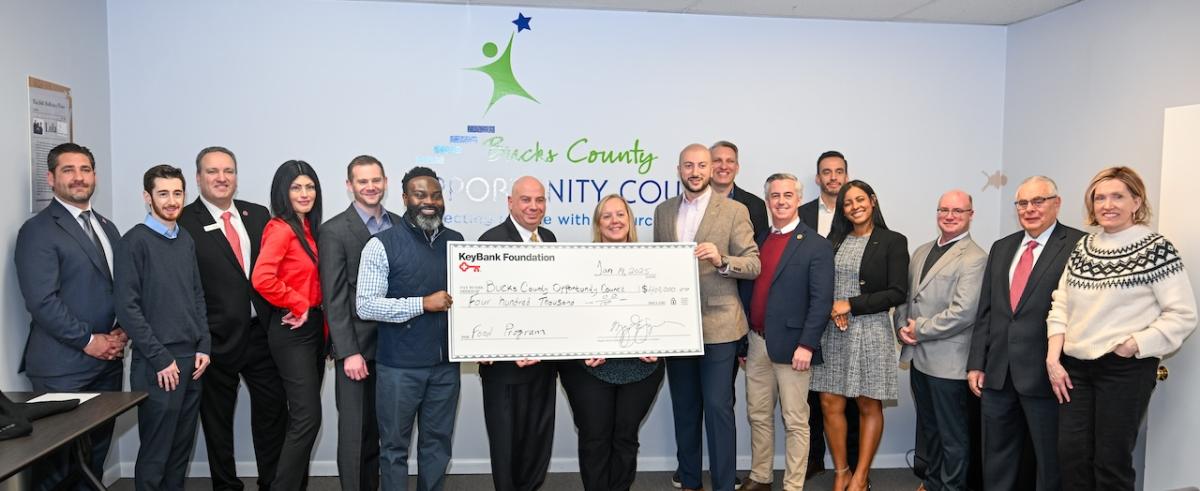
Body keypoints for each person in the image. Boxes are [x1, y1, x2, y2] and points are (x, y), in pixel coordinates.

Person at [1045, 166, 1197, 490]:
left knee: (1110, 462)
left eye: (1117, 196)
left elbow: (1183, 314)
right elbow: (1060, 305)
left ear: (1136, 201)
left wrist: (1134, 344)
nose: (1107, 205)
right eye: (1099, 198)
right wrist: (1053, 359)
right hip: (1075, 368)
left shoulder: (1156, 248)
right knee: (1071, 456)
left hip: (1124, 368)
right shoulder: (1083, 248)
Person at [15, 142, 127, 490]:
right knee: (55, 468)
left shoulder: (107, 227)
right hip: (62, 368)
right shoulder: (38, 231)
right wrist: (89, 341)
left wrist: (122, 331)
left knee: (92, 460)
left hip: (108, 364)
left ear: (94, 176)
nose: (78, 178)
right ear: (51, 178)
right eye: (68, 170)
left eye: (85, 170)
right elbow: (42, 302)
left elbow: (122, 287)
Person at [178, 146, 286, 491]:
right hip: (214, 340)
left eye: (228, 171)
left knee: (273, 416)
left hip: (261, 336)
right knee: (217, 423)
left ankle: (272, 482)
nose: (221, 178)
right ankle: (226, 486)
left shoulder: (258, 215)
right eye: (212, 171)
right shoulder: (182, 221)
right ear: (198, 178)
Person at [653, 143, 760, 491]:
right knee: (684, 408)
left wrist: (722, 259)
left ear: (712, 169)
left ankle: (724, 485)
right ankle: (689, 481)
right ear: (679, 169)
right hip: (677, 328)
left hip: (720, 325)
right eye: (688, 165)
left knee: (717, 408)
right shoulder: (663, 211)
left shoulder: (734, 210)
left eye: (702, 165)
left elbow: (754, 264)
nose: (695, 171)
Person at [967, 176, 1084, 491]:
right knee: (997, 458)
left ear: (1056, 203)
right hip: (998, 373)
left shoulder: (1078, 245)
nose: (1030, 209)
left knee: (1049, 462)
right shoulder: (1002, 247)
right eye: (1022, 203)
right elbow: (987, 311)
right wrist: (977, 363)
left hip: (1047, 374)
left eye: (1039, 201)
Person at [357, 166, 463, 491]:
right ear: (405, 198)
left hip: (446, 368)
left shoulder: (458, 244)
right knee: (393, 450)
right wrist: (421, 303)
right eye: (420, 194)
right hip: (399, 369)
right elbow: (366, 305)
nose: (429, 201)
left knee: (437, 447)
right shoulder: (380, 245)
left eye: (435, 194)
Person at [558, 193, 666, 491]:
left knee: (625, 437)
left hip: (641, 369)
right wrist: (583, 347)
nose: (615, 221)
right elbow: (567, 313)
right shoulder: (578, 264)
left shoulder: (657, 263)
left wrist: (657, 342)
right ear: (597, 224)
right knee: (594, 437)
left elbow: (666, 311)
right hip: (589, 368)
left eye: (620, 215)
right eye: (607, 216)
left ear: (630, 221)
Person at [114, 165, 211, 490]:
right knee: (156, 455)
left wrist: (204, 346)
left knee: (179, 453)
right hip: (158, 365)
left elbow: (196, 295)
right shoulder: (134, 242)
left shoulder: (184, 239)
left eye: (177, 193)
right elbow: (127, 309)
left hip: (191, 363)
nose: (172, 201)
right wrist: (160, 358)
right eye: (163, 193)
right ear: (147, 197)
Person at [737, 174, 834, 491]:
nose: (781, 200)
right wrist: (743, 342)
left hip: (794, 348)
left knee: (795, 421)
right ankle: (761, 476)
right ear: (767, 200)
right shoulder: (759, 239)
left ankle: (793, 485)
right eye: (775, 195)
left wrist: (807, 344)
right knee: (758, 415)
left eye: (788, 195)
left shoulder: (816, 245)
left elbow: (821, 301)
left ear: (798, 199)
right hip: (756, 342)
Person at [810, 179, 908, 491]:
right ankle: (841, 471)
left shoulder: (892, 241)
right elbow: (818, 282)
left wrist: (849, 305)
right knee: (829, 402)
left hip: (871, 330)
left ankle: (861, 476)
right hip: (833, 331)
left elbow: (897, 292)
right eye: (848, 203)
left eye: (860, 199)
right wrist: (831, 309)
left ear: (873, 200)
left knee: (868, 403)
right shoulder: (833, 240)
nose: (855, 206)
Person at [894, 190, 987, 491]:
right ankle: (932, 484)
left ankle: (950, 488)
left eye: (958, 211)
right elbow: (907, 298)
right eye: (944, 210)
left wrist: (917, 329)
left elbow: (963, 313)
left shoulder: (975, 258)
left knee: (953, 437)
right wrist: (901, 327)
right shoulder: (921, 251)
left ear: (971, 215)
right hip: (919, 358)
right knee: (930, 430)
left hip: (950, 364)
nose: (949, 216)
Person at [319, 155, 401, 491]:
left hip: (397, 350)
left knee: (384, 433)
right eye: (362, 181)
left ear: (385, 182)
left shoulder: (399, 224)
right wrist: (348, 352)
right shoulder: (334, 231)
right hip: (357, 352)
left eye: (376, 180)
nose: (370, 187)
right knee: (355, 435)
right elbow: (334, 297)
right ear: (349, 185)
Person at [477, 175, 559, 491]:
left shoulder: (549, 239)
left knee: (537, 443)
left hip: (543, 366)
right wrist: (510, 349)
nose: (533, 206)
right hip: (505, 371)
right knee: (506, 446)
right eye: (526, 199)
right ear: (511, 202)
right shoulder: (491, 240)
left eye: (539, 200)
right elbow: (484, 304)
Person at [251, 160, 325, 490]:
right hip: (293, 331)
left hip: (314, 331)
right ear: (283, 191)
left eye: (309, 186)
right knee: (307, 418)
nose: (305, 193)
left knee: (304, 419)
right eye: (296, 187)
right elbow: (261, 278)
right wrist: (297, 302)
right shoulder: (280, 228)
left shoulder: (308, 228)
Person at [797, 150, 857, 477]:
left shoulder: (858, 212)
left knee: (848, 397)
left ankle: (852, 468)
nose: (833, 177)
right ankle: (814, 459)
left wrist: (844, 303)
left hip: (847, 316)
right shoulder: (801, 213)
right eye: (826, 172)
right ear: (818, 178)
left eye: (839, 171)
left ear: (846, 176)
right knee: (809, 395)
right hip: (809, 315)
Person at [710, 140, 769, 237]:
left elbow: (760, 248)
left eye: (730, 161)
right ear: (708, 166)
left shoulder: (756, 205)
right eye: (717, 160)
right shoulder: (693, 202)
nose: (724, 166)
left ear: (737, 168)